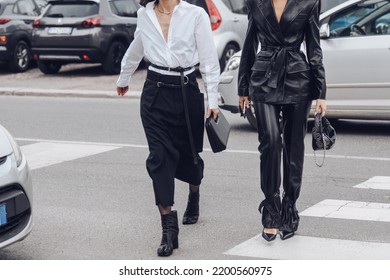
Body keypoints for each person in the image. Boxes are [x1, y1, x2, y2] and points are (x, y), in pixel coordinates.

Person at [116, 0, 220, 256]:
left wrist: (213, 98)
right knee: (160, 157)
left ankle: (194, 192)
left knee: (190, 156)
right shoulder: (145, 14)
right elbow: (137, 46)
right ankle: (168, 228)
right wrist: (124, 76)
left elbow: (208, 58)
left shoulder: (195, 14)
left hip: (186, 93)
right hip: (154, 93)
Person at [238, 0, 327, 242]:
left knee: (294, 146)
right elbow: (249, 43)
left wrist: (321, 91)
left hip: (298, 79)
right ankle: (271, 209)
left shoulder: (309, 2)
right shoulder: (255, 2)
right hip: (263, 78)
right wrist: (242, 86)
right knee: (270, 142)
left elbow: (314, 47)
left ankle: (289, 208)